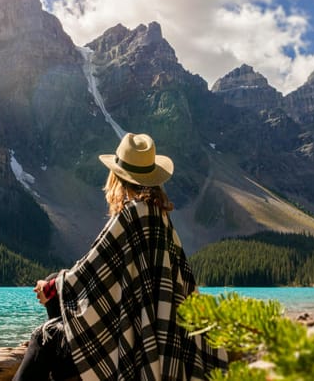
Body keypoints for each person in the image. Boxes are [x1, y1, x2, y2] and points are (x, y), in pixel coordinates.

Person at [14, 133, 227, 380]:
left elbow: (90, 269)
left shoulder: (130, 215)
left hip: (127, 344)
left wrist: (50, 288)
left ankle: (72, 364)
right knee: (56, 287)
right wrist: (56, 284)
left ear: (117, 177)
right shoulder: (160, 218)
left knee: (42, 339)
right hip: (157, 336)